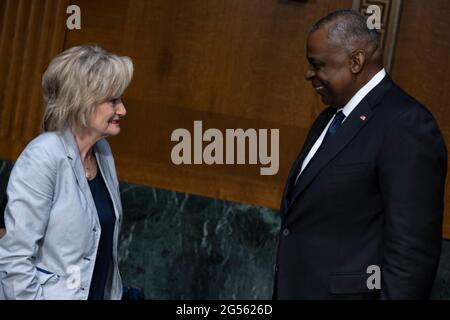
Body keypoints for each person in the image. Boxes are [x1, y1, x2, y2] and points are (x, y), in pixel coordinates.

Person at [274, 9, 447, 299]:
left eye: (318, 65)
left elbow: (411, 257)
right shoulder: (328, 120)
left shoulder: (406, 125)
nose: (308, 74)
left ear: (356, 61)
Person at [0, 45, 133, 300]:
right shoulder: (44, 156)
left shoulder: (103, 153)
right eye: (113, 100)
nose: (122, 110)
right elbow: (14, 258)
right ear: (83, 100)